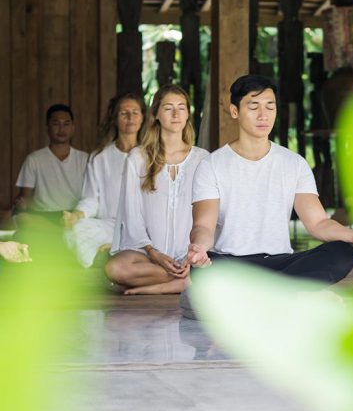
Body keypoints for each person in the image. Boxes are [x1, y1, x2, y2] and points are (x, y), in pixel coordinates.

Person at [186, 74, 353, 282]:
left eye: (270, 107)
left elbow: (318, 222)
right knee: (203, 269)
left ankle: (260, 291)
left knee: (342, 252)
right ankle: (282, 290)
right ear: (234, 111)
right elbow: (204, 226)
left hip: (281, 262)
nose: (263, 115)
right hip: (232, 263)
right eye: (254, 107)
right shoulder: (212, 165)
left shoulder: (294, 163)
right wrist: (199, 249)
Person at [106, 84, 209, 295]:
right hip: (148, 254)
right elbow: (132, 215)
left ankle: (171, 280)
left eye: (181, 108)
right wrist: (154, 253)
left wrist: (194, 254)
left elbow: (208, 215)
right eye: (168, 108)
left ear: (187, 115)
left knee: (218, 263)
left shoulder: (203, 159)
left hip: (190, 253)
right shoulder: (137, 158)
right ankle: (185, 280)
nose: (176, 114)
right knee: (114, 269)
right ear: (156, 114)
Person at [63, 93, 146, 268]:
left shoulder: (152, 156)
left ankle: (112, 254)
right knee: (76, 230)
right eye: (124, 113)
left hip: (143, 227)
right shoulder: (100, 157)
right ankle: (109, 255)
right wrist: (76, 215)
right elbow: (91, 199)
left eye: (135, 112)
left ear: (142, 118)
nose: (130, 117)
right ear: (114, 118)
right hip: (109, 226)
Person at [14, 104, 88, 227]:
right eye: (55, 124)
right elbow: (25, 198)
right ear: (47, 127)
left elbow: (91, 198)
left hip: (73, 216)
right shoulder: (34, 159)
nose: (61, 129)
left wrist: (75, 216)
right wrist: (22, 204)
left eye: (66, 124)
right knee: (22, 219)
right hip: (43, 216)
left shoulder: (85, 159)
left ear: (73, 128)